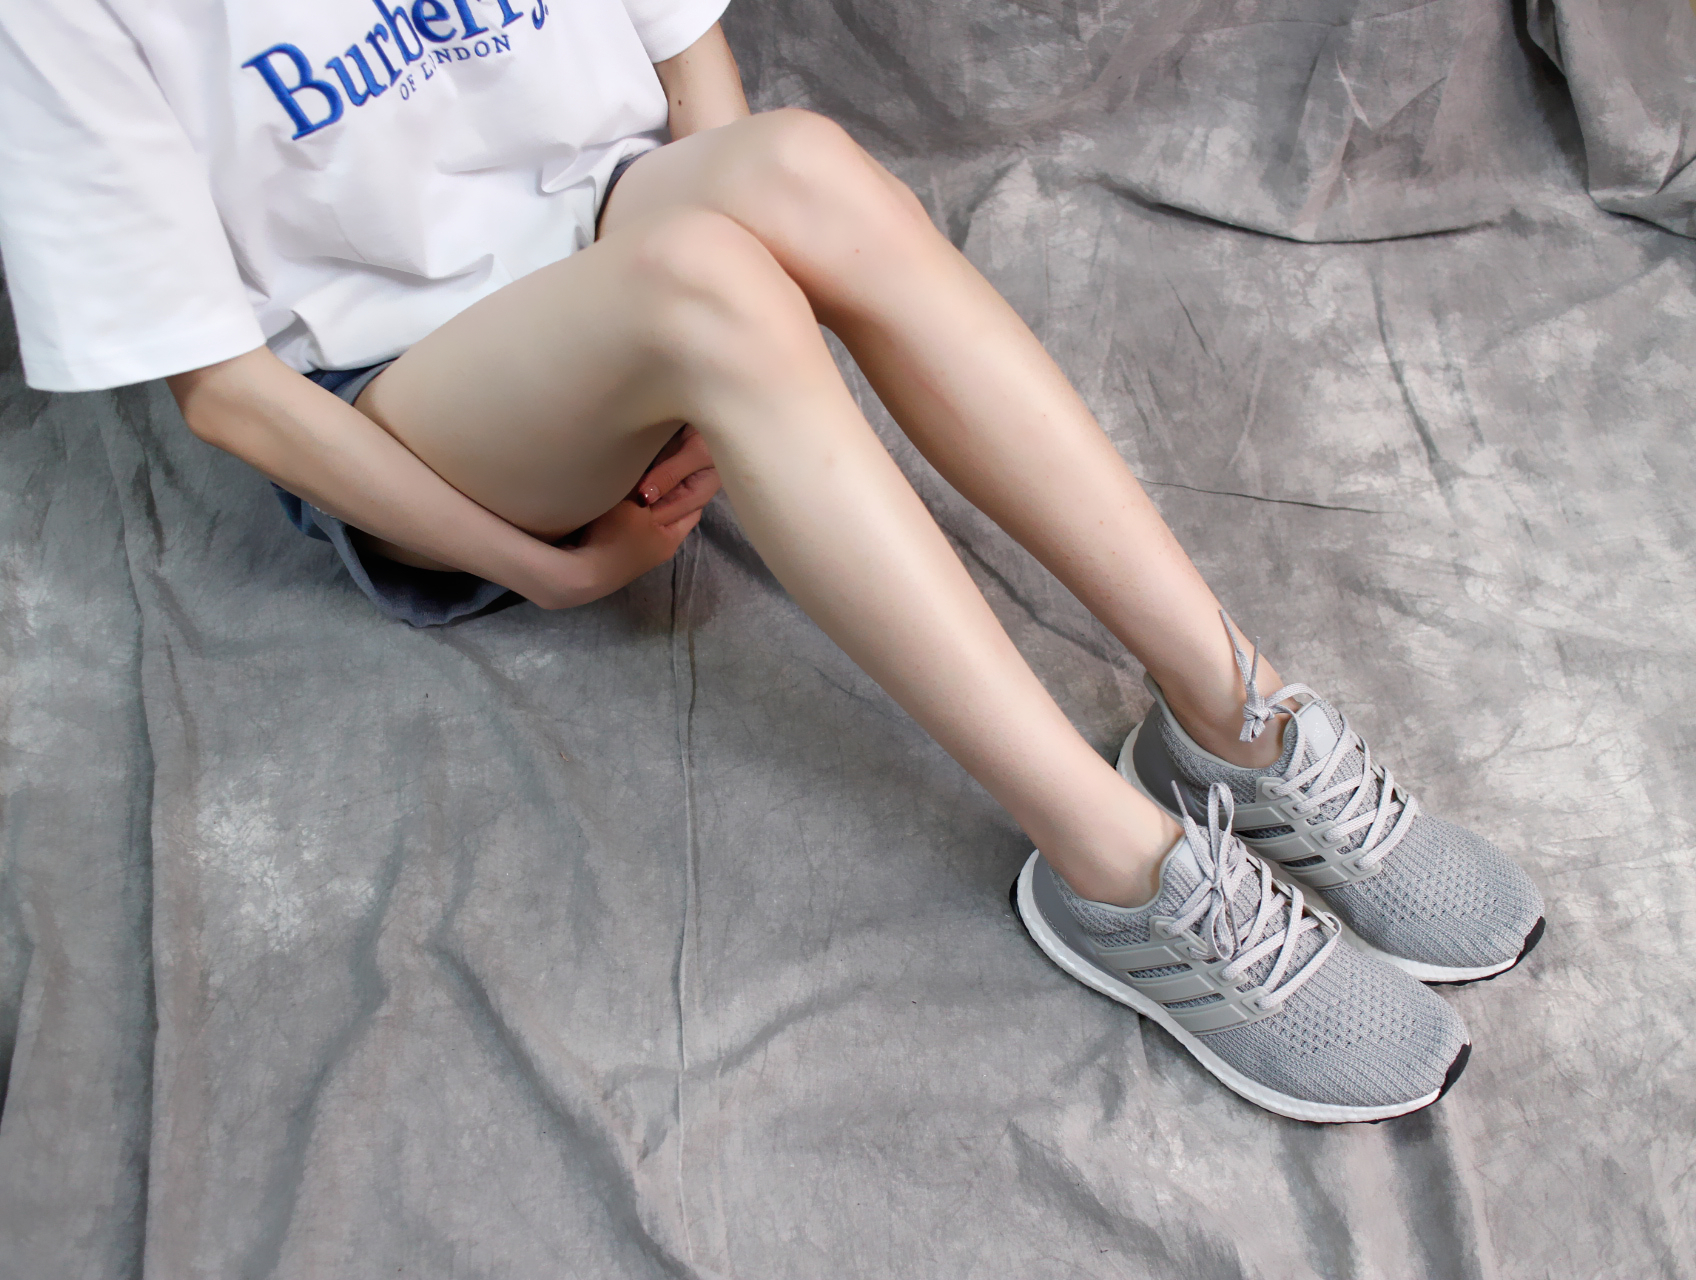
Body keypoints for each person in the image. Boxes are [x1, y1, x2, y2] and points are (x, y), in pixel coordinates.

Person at [0, 0, 1542, 1124]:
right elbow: (228, 395)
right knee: (702, 279)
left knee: (796, 162)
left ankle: (1235, 717)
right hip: (411, 402)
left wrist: (731, 367)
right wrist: (545, 567)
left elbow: (694, 77)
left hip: (620, 241)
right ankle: (1121, 872)